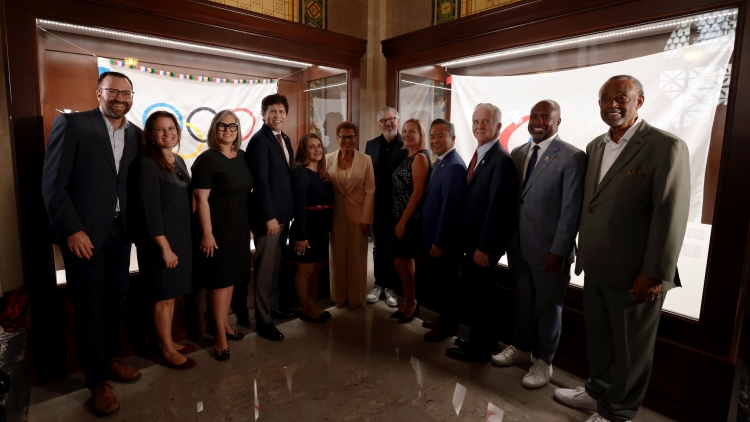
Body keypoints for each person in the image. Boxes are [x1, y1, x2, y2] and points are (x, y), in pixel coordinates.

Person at [555, 75, 690, 422]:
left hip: (637, 274)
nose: (611, 104)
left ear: (640, 101)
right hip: (598, 265)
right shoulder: (595, 146)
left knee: (632, 350)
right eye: (604, 98)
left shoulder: (665, 147)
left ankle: (618, 412)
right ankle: (597, 392)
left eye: (621, 97)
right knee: (600, 339)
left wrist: (655, 272)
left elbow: (670, 216)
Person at [41, 71, 142, 416]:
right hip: (84, 235)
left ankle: (111, 359)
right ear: (98, 93)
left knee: (116, 300)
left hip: (120, 233)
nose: (120, 97)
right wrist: (71, 229)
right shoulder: (73, 125)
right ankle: (96, 382)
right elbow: (53, 186)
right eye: (112, 90)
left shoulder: (138, 135)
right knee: (89, 308)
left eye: (125, 92)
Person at [496, 100, 585, 388]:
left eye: (546, 117)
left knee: (549, 306)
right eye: (534, 116)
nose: (538, 121)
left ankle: (543, 362)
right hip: (519, 245)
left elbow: (571, 211)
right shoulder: (519, 152)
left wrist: (558, 250)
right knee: (523, 301)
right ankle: (521, 349)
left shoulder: (572, 157)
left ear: (558, 122)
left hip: (549, 252)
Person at [446, 103, 519, 363]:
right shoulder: (479, 155)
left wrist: (485, 247)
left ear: (498, 126)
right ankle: (482, 340)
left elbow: (498, 209)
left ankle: (479, 351)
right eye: (476, 121)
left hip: (482, 247)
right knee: (479, 295)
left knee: (484, 298)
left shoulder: (501, 160)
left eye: (485, 122)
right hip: (471, 243)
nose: (478, 126)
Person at [131, 111, 197, 370]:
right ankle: (166, 349)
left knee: (171, 295)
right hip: (160, 242)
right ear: (150, 134)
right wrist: (165, 248)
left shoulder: (177, 160)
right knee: (162, 296)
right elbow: (150, 212)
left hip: (180, 237)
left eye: (171, 128)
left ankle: (168, 341)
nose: (167, 133)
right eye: (160, 130)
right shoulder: (147, 164)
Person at [192, 110, 253, 361]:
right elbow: (200, 200)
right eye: (222, 126)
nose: (228, 130)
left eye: (233, 126)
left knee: (231, 279)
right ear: (214, 129)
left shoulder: (241, 156)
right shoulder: (207, 160)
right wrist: (207, 234)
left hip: (239, 228)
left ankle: (226, 325)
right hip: (217, 230)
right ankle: (218, 334)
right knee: (219, 282)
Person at [246, 94, 297, 342]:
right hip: (270, 219)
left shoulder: (284, 138)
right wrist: (269, 217)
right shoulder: (258, 141)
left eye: (281, 111)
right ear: (263, 113)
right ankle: (264, 321)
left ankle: (274, 306)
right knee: (265, 270)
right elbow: (261, 183)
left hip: (284, 216)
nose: (277, 116)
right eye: (272, 111)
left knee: (276, 265)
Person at [420, 119, 467, 341]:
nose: (435, 140)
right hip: (433, 238)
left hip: (445, 242)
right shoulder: (440, 162)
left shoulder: (455, 166)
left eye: (440, 135)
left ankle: (449, 326)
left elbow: (450, 210)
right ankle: (443, 319)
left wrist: (439, 242)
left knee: (449, 284)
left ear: (452, 138)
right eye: (432, 136)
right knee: (441, 283)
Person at [327, 122, 376, 310]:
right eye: (343, 137)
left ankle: (356, 297)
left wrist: (367, 219)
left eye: (351, 137)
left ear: (356, 138)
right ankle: (338, 296)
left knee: (357, 258)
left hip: (359, 215)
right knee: (337, 258)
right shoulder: (328, 159)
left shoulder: (366, 160)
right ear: (337, 138)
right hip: (336, 215)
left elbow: (371, 191)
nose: (348, 140)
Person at [365, 107, 407, 307]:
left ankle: (391, 287)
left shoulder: (406, 145)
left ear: (398, 121)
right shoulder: (371, 145)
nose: (388, 123)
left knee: (392, 249)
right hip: (376, 207)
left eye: (391, 119)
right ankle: (378, 283)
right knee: (377, 248)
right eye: (383, 120)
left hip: (398, 209)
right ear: (379, 123)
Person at [390, 118, 430, 324]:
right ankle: (406, 300)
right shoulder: (408, 156)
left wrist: (402, 221)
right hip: (400, 217)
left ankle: (412, 301)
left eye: (411, 131)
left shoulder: (420, 158)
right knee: (404, 261)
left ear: (420, 133)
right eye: (404, 131)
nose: (406, 135)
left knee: (401, 260)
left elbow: (418, 193)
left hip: (409, 219)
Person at [290, 133, 334, 322]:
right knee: (305, 271)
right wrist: (301, 235)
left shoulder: (323, 173)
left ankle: (313, 303)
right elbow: (299, 207)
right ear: (304, 150)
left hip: (321, 230)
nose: (317, 150)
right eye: (312, 147)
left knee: (316, 269)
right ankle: (305, 309)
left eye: (319, 146)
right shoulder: (301, 173)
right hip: (306, 229)